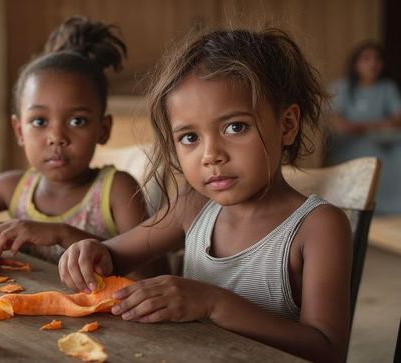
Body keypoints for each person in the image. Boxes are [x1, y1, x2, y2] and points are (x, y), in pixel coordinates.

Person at [58, 29, 353, 362]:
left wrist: (214, 304)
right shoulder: (193, 205)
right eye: (189, 138)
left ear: (287, 125)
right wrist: (89, 251)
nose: (210, 155)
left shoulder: (317, 227)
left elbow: (328, 349)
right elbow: (112, 257)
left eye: (235, 127)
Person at [0, 16, 155, 269]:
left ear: (103, 129)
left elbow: (150, 274)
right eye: (40, 122)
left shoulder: (117, 191)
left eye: (77, 121)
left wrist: (63, 234)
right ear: (19, 130)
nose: (57, 137)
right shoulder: (14, 188)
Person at [327, 41, 401, 214]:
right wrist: (378, 124)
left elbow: (397, 120)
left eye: (377, 59)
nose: (372, 64)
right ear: (355, 64)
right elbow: (340, 126)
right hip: (348, 145)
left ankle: (390, 208)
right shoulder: (341, 87)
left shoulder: (387, 88)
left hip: (381, 143)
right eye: (366, 59)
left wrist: (362, 126)